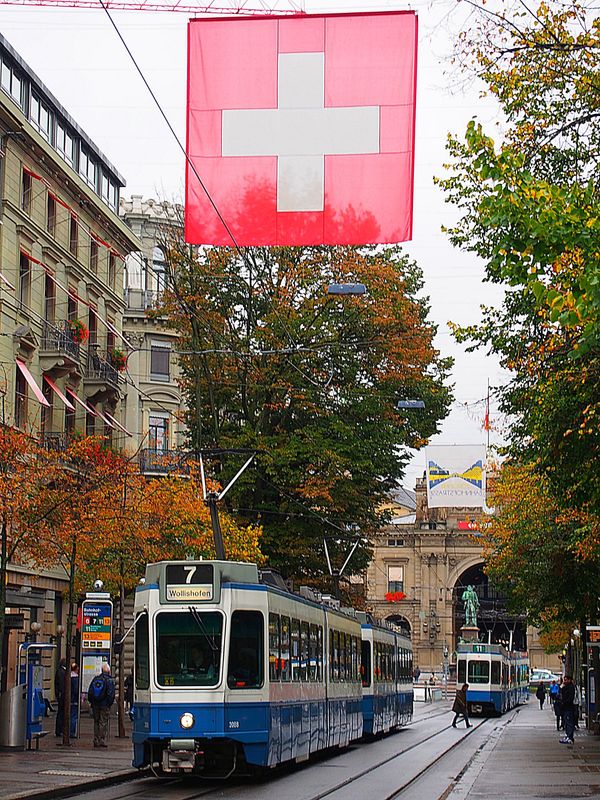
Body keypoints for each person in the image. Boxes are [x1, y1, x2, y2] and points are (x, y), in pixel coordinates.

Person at [87, 662, 115, 748]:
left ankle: (95, 739)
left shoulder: (96, 679)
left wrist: (92, 702)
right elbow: (111, 694)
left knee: (96, 721)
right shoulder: (109, 680)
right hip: (104, 705)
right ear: (109, 671)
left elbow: (90, 692)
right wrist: (109, 703)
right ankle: (101, 739)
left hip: (95, 704)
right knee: (103, 722)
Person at [560, 674, 575, 744]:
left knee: (569, 722)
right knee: (566, 722)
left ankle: (570, 737)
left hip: (568, 707)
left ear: (569, 680)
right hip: (566, 708)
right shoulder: (566, 687)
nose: (564, 681)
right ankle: (568, 736)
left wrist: (564, 702)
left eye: (566, 680)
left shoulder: (570, 687)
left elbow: (569, 698)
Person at [54, 658, 67, 737]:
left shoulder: (60, 671)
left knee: (61, 713)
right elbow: (62, 685)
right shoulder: (62, 672)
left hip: (60, 695)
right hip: (62, 696)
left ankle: (60, 730)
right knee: (61, 713)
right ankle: (59, 730)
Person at [69, 663, 79, 738]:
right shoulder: (76, 678)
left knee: (70, 715)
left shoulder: (68, 677)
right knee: (73, 716)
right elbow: (76, 690)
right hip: (74, 700)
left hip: (69, 699)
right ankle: (72, 732)